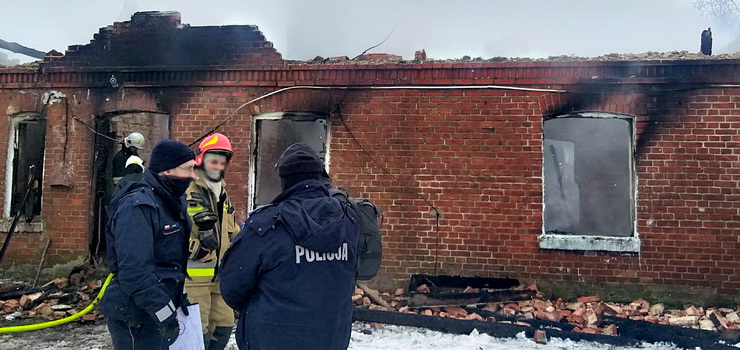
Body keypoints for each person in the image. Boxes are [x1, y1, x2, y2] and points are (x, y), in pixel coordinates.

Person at [220, 142, 359, 350]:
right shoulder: (348, 219)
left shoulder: (266, 226)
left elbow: (232, 285)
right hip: (331, 337)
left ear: (284, 180)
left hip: (272, 337)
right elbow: (353, 272)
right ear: (320, 176)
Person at [101, 139, 197, 349]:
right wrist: (164, 312)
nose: (193, 176)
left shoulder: (169, 201)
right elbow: (135, 273)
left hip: (154, 310)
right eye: (188, 169)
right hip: (135, 316)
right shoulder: (138, 207)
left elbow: (169, 262)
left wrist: (176, 299)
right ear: (167, 171)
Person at [185, 133, 240, 350]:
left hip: (220, 276)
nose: (217, 165)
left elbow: (232, 229)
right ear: (201, 160)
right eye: (213, 160)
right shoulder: (185, 189)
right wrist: (194, 248)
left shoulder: (222, 192)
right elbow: (170, 230)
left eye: (222, 160)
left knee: (224, 326)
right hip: (193, 279)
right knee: (197, 333)